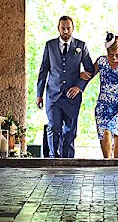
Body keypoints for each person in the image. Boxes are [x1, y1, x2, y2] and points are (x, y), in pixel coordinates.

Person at [35, 15, 95, 158]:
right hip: (53, 95)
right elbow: (43, 71)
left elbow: (90, 70)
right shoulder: (49, 45)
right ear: (58, 28)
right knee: (54, 127)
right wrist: (39, 94)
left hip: (72, 97)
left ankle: (68, 163)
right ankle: (53, 159)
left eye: (69, 28)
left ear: (73, 28)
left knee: (69, 132)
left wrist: (79, 87)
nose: (66, 31)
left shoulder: (81, 46)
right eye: (63, 28)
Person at [82, 33, 118, 159]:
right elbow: (90, 75)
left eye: (117, 54)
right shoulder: (101, 61)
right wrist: (82, 77)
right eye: (110, 54)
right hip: (103, 104)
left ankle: (117, 163)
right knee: (105, 132)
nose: (113, 57)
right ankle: (107, 162)